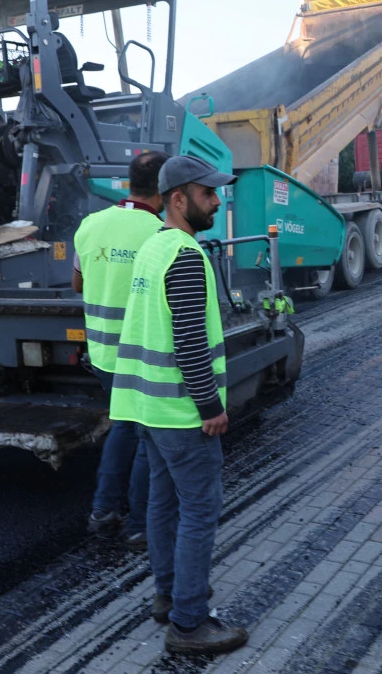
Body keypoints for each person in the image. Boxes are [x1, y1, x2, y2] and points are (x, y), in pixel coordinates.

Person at [108, 155, 247, 656]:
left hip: (147, 408)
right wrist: (211, 407)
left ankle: (167, 598)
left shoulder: (154, 248)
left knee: (164, 509)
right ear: (178, 198)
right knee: (199, 511)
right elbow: (189, 342)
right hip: (182, 415)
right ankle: (189, 623)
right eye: (208, 193)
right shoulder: (185, 255)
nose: (217, 200)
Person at [72, 151, 168, 548]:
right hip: (142, 354)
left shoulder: (90, 225)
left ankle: (104, 509)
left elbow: (78, 284)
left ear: (129, 182)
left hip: (103, 353)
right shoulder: (160, 234)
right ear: (165, 189)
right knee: (147, 435)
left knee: (124, 425)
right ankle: (141, 522)